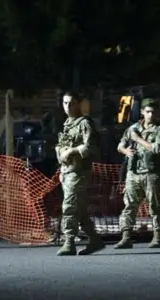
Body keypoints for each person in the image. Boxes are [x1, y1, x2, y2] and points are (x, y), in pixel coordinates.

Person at [114, 98, 160, 249]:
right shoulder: (133, 128)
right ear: (142, 112)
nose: (150, 115)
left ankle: (157, 236)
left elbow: (158, 148)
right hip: (134, 173)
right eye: (147, 112)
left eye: (153, 112)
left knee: (155, 206)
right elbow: (120, 144)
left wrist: (138, 139)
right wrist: (125, 150)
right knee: (129, 205)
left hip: (151, 173)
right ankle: (126, 236)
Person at [54, 91, 105, 256]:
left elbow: (90, 147)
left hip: (79, 172)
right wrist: (62, 168)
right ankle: (95, 239)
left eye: (71, 103)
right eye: (65, 103)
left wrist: (71, 151)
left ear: (78, 104)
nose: (67, 107)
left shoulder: (84, 123)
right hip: (68, 171)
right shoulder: (67, 124)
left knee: (69, 206)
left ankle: (69, 242)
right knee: (80, 210)